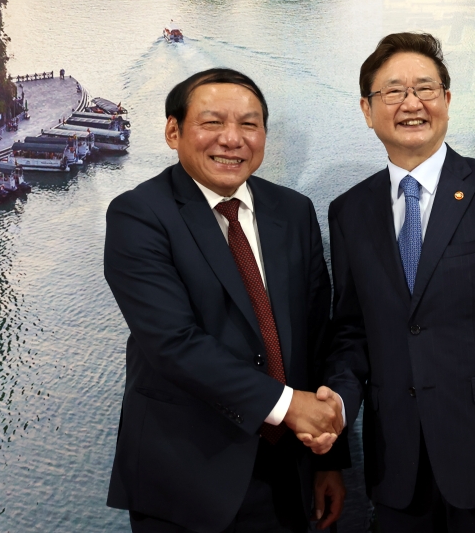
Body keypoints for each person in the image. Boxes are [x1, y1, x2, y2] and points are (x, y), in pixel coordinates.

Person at [318, 32, 475, 532]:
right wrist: (339, 401)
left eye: (425, 89)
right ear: (368, 111)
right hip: (398, 471)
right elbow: (352, 332)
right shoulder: (348, 211)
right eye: (392, 91)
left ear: (447, 102)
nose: (411, 103)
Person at [104, 68, 348, 533]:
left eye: (249, 125)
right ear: (173, 131)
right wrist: (286, 405)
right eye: (212, 123)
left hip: (290, 474)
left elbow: (317, 338)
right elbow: (172, 342)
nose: (232, 139)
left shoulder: (294, 211)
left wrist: (327, 459)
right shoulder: (138, 215)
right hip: (187, 479)